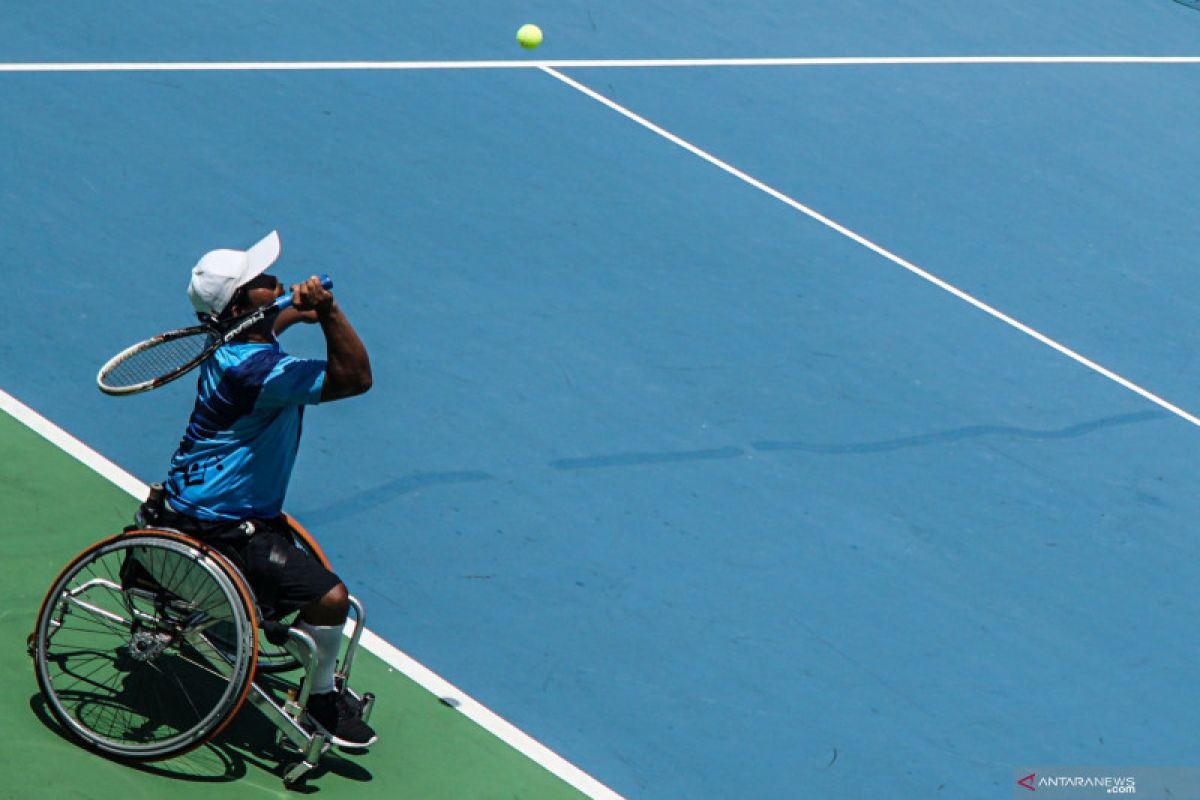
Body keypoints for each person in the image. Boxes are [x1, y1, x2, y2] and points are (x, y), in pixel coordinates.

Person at [152, 230, 375, 746]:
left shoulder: (232, 339)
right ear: (238, 303)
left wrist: (298, 309)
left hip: (201, 506)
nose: (272, 280)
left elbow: (269, 320)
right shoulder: (258, 370)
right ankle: (320, 701)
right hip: (221, 528)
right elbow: (355, 377)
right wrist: (331, 313)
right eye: (259, 280)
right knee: (331, 599)